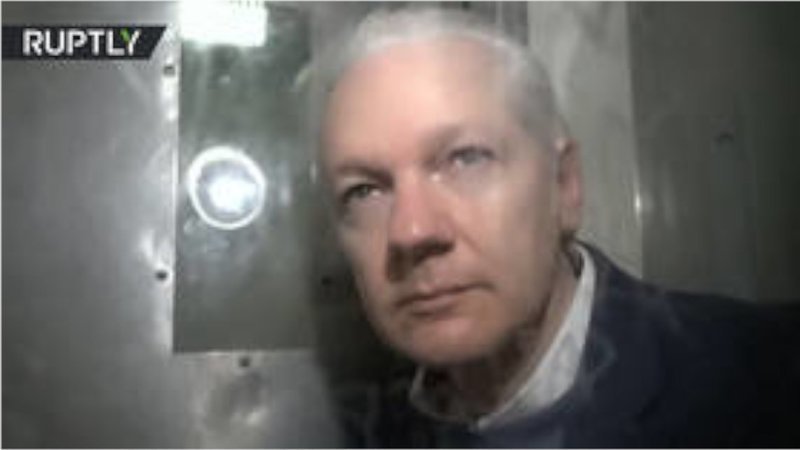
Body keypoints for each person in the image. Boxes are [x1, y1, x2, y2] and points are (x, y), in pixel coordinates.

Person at [312, 7, 800, 447]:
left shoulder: (766, 377)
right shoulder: (365, 429)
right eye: (365, 191)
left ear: (564, 186)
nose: (411, 231)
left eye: (465, 158)